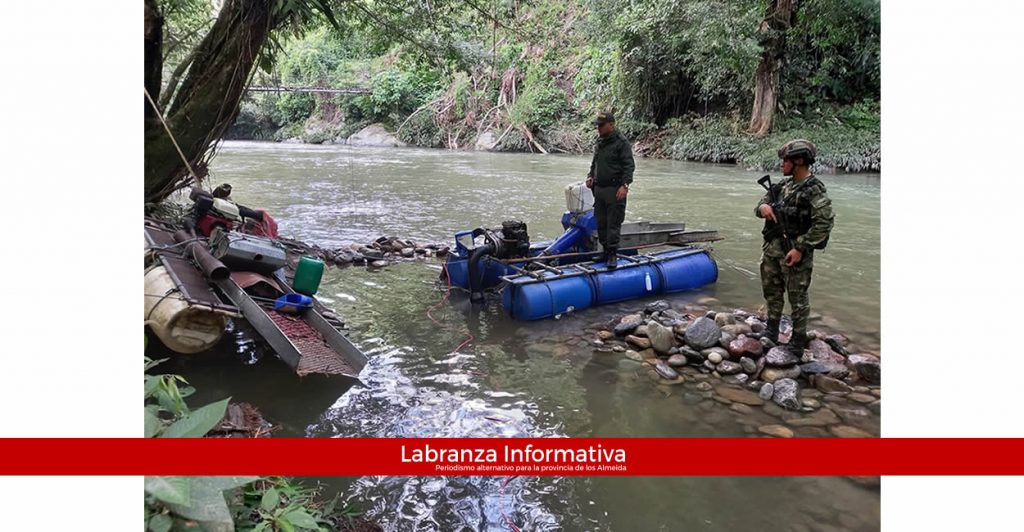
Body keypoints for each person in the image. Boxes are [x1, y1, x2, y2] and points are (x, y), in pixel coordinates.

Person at [755, 139, 834, 353]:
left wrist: (800, 248)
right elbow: (761, 203)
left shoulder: (814, 190)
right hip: (772, 249)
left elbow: (824, 223)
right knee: (771, 291)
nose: (782, 165)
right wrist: (763, 207)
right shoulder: (782, 186)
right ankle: (771, 330)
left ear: (799, 161)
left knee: (797, 297)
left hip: (794, 254)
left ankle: (798, 341)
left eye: (785, 161)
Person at [585, 111, 634, 270]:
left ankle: (612, 254)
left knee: (613, 223)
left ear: (611, 125)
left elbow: (629, 166)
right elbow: (595, 163)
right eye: (597, 125)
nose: (598, 128)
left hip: (615, 189)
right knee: (601, 222)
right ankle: (605, 251)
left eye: (601, 125)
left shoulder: (621, 143)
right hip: (599, 189)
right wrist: (590, 176)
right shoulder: (600, 142)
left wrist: (625, 185)